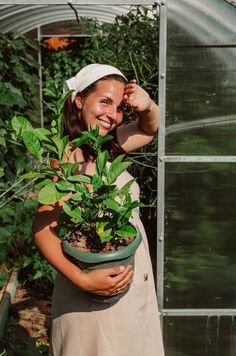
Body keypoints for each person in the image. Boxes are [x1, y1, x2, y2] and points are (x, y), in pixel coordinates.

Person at [32, 63, 165, 356]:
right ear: (79, 100)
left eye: (118, 107)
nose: (112, 115)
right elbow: (41, 230)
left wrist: (147, 105)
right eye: (104, 101)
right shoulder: (65, 159)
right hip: (92, 298)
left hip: (128, 293)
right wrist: (81, 279)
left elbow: (149, 128)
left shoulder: (103, 147)